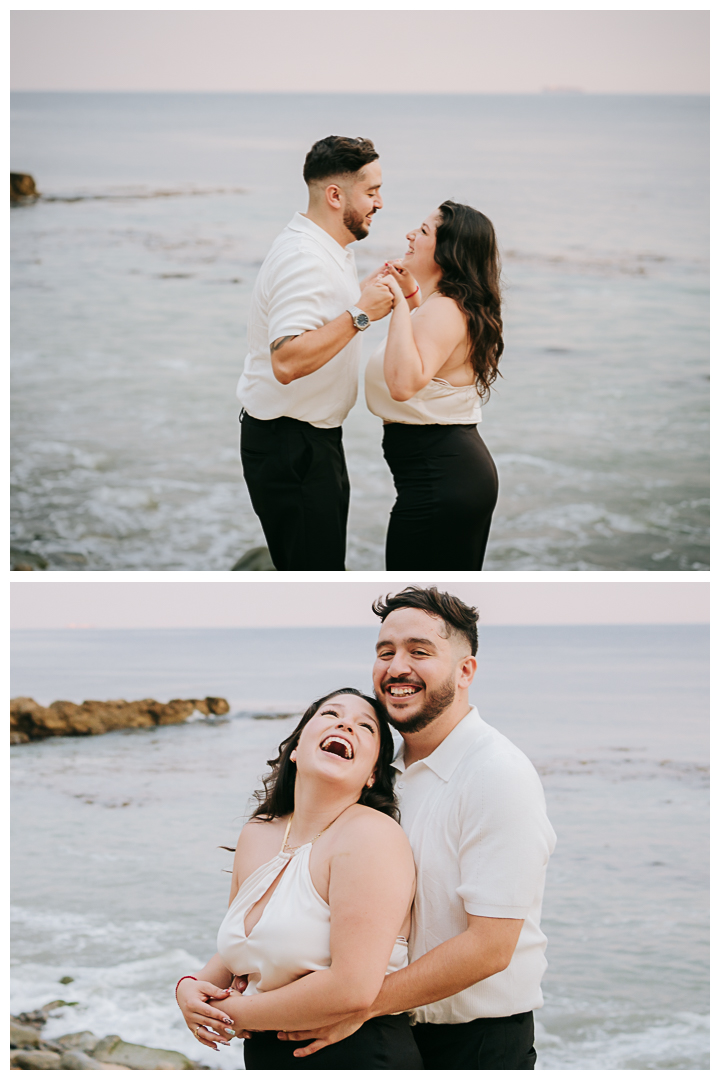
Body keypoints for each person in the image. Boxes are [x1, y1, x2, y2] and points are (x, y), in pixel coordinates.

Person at [277, 586, 557, 1070]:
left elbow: (490, 946)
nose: (396, 667)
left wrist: (355, 1005)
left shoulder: (497, 773)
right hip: (380, 1036)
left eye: (419, 652)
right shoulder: (376, 771)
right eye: (385, 652)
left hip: (474, 1045)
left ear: (465, 671)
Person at [175, 687, 423, 1070]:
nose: (345, 724)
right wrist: (191, 988)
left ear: (373, 773)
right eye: (330, 714)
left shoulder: (372, 835)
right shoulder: (258, 833)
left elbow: (352, 988)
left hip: (356, 1056)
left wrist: (236, 1015)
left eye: (365, 726)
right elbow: (243, 949)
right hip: (265, 1056)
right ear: (296, 746)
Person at [236, 136, 393, 570]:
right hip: (292, 445)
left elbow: (316, 317)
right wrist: (361, 314)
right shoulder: (305, 256)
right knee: (316, 573)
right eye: (372, 191)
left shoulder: (327, 247)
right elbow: (286, 360)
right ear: (335, 195)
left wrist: (360, 298)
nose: (380, 203)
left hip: (305, 440)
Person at [365, 203, 503, 569]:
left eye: (423, 231)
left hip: (440, 475)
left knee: (418, 593)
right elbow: (424, 350)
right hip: (445, 470)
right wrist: (410, 298)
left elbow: (403, 383)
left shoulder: (444, 309)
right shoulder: (445, 305)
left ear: (447, 251)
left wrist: (396, 305)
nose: (410, 236)